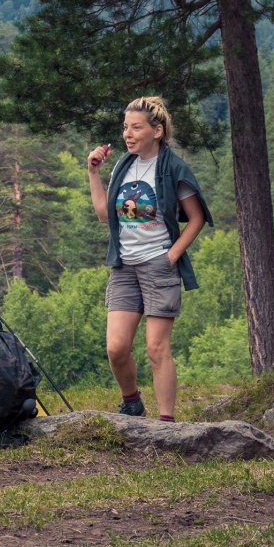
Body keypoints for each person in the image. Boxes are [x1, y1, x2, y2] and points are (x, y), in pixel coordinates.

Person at [87, 96, 211, 422]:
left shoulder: (173, 168)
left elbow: (196, 218)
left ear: (157, 131)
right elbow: (103, 214)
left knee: (157, 349)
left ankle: (167, 423)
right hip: (124, 266)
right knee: (116, 348)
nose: (128, 134)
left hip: (159, 265)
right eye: (125, 127)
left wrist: (170, 256)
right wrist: (93, 173)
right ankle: (132, 403)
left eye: (136, 127)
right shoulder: (122, 166)